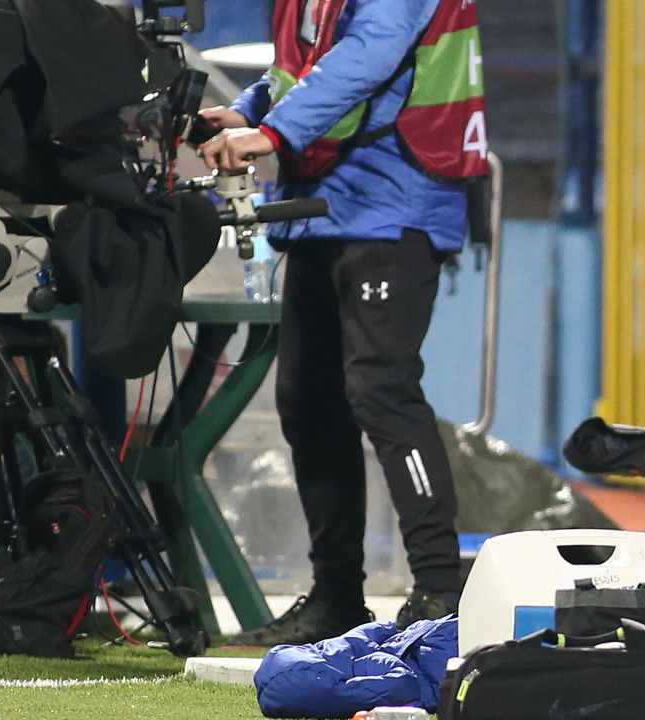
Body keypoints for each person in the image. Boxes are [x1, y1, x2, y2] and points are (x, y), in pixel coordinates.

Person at [197, 0, 484, 644]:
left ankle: (439, 590)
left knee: (381, 391)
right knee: (308, 404)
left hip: (395, 203)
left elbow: (367, 56)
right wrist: (247, 113)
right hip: (323, 208)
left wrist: (267, 136)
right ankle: (336, 600)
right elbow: (300, 71)